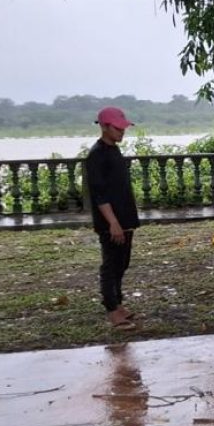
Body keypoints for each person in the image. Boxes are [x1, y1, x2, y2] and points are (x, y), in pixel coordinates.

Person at [85, 107, 141, 330]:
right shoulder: (97, 155)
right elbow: (99, 194)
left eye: (123, 128)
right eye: (118, 129)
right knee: (111, 265)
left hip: (125, 218)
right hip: (112, 222)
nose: (121, 132)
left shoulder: (113, 151)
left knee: (122, 263)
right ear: (104, 126)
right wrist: (113, 223)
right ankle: (111, 309)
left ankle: (118, 303)